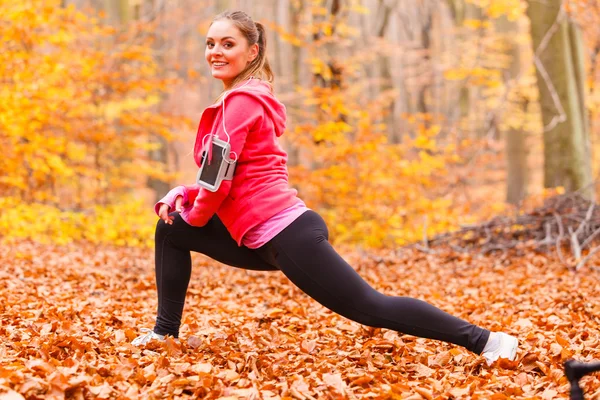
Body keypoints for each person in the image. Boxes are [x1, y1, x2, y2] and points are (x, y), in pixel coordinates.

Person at [132, 10, 518, 366]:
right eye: (210, 43)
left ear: (253, 51)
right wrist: (183, 195)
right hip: (257, 233)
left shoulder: (240, 103)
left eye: (227, 44)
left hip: (285, 234)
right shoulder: (241, 99)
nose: (215, 51)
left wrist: (196, 212)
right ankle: (164, 333)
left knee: (369, 306)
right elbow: (226, 175)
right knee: (172, 228)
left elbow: (217, 182)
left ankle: (488, 341)